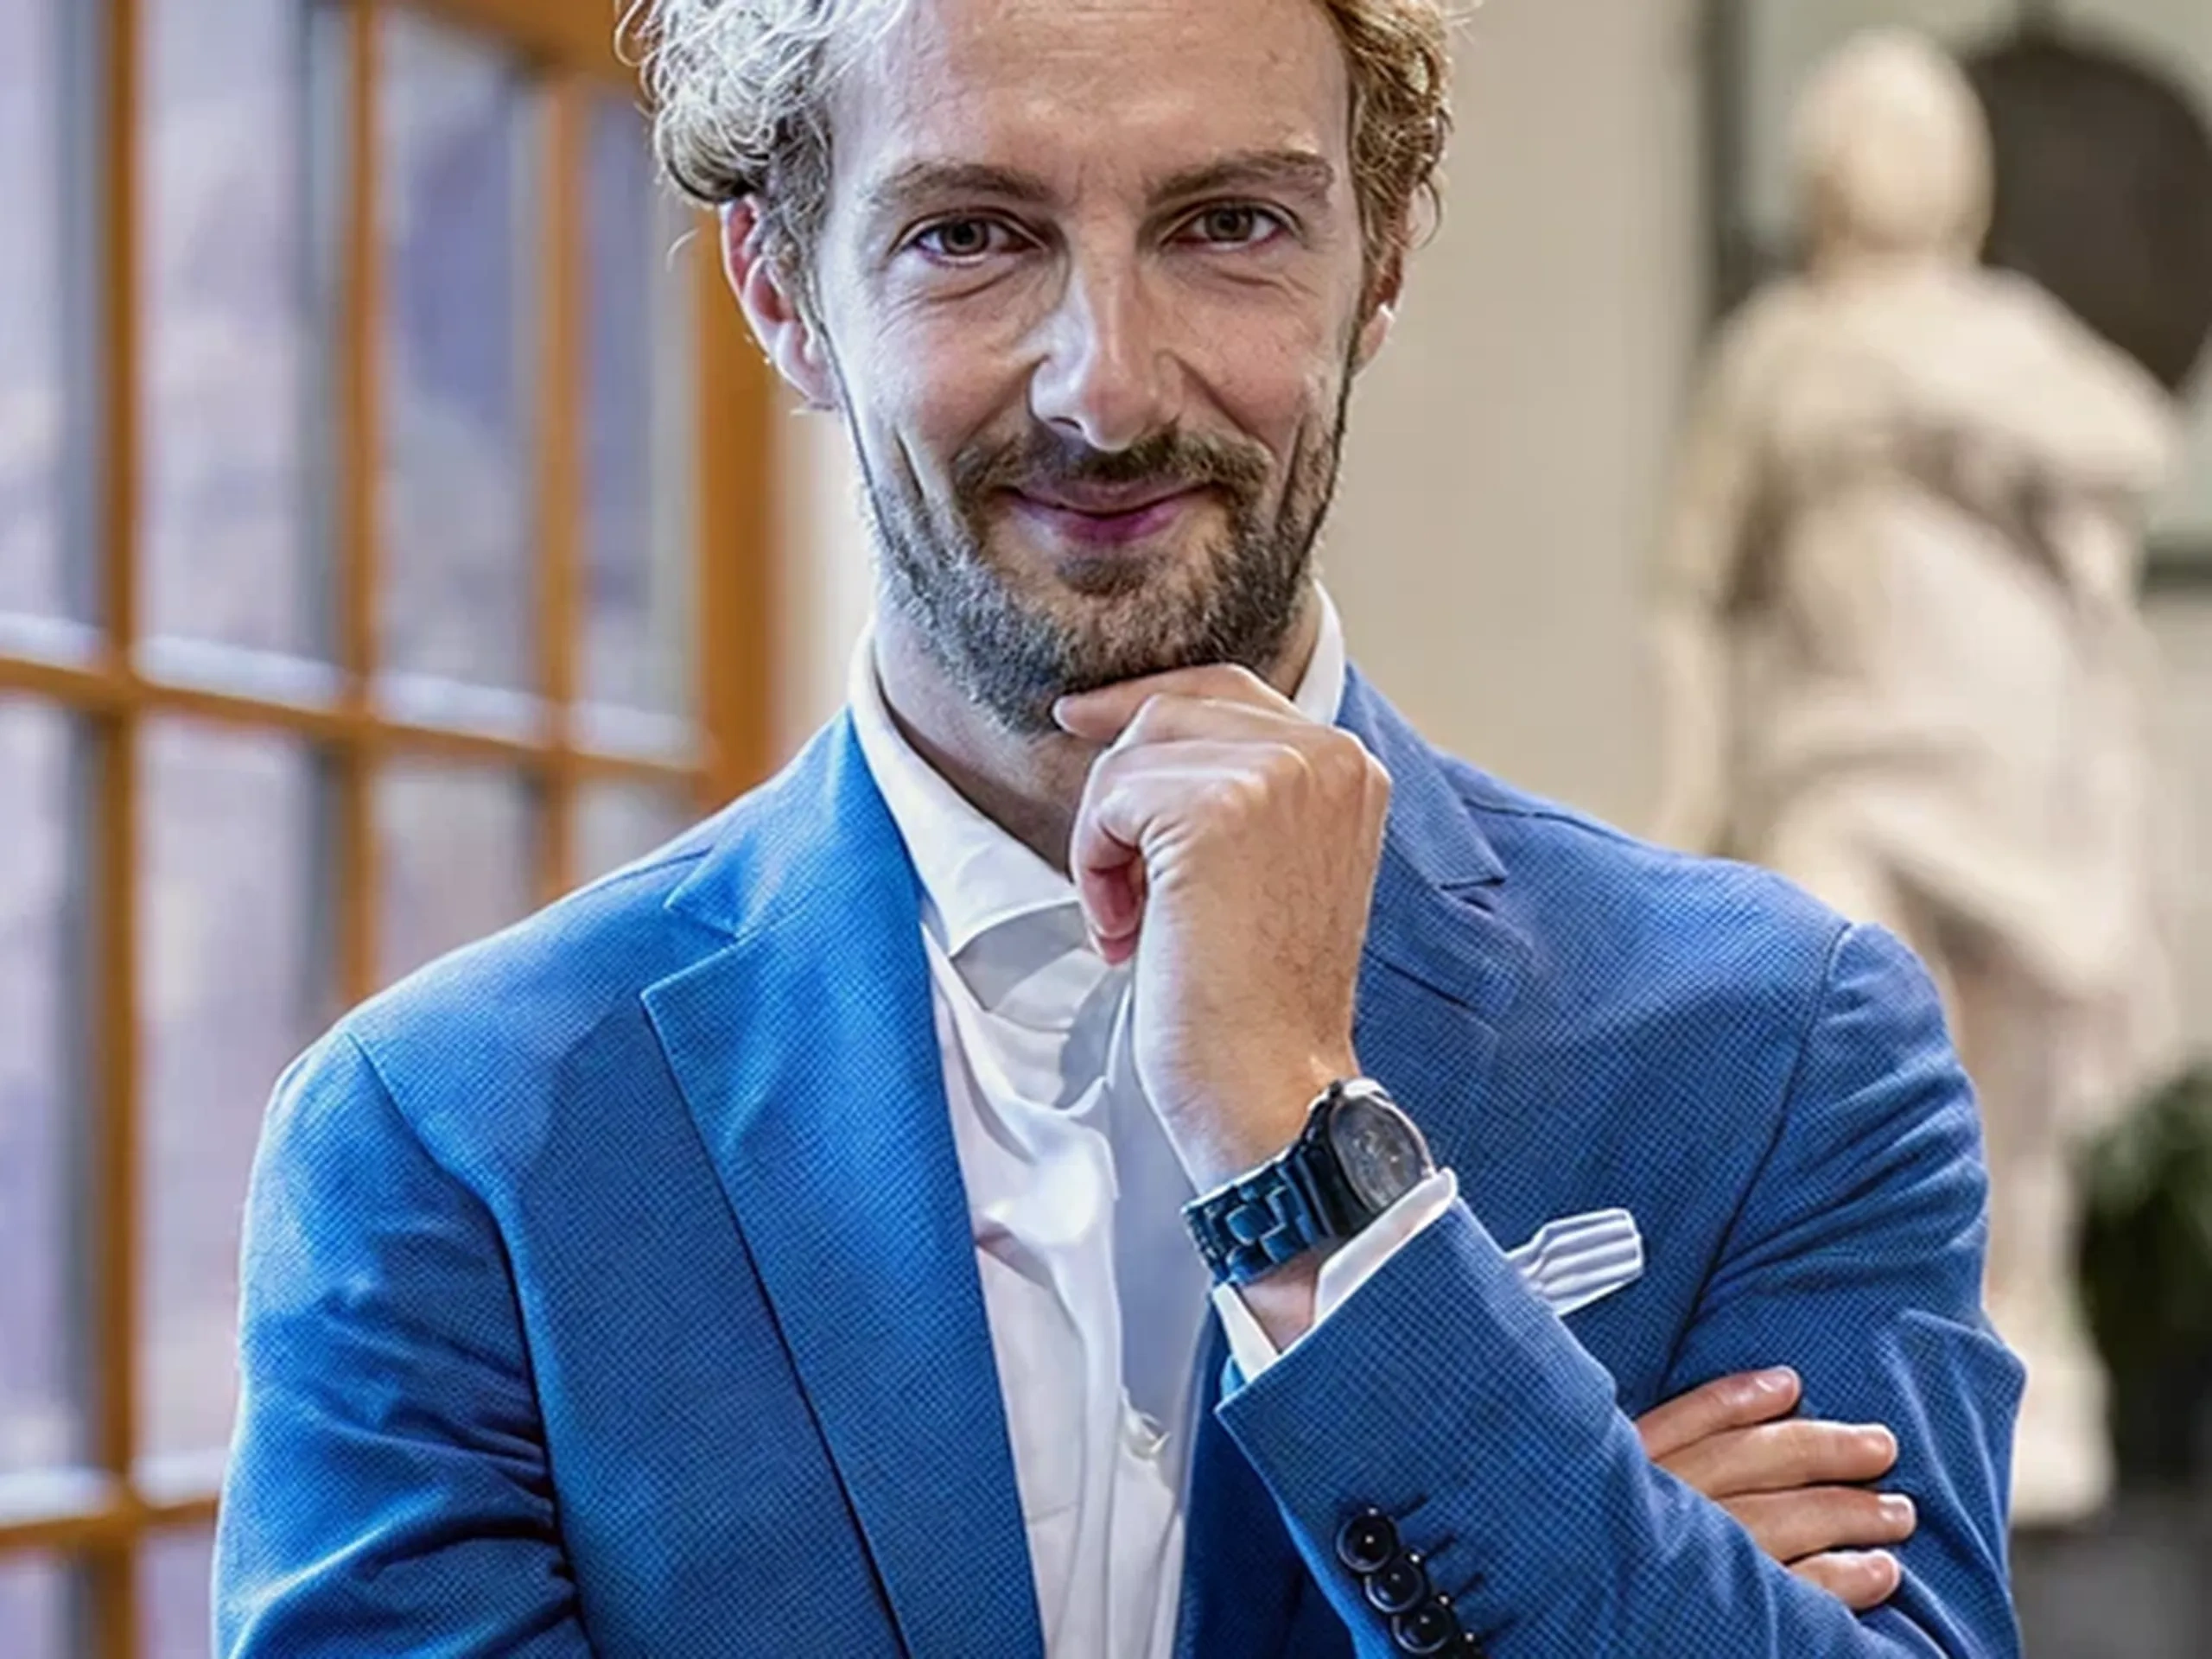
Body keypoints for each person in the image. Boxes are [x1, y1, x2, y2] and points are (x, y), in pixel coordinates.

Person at [214, 2, 2020, 1654]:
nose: (1108, 390)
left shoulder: (1777, 1052)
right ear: (780, 290)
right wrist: (1607, 1551)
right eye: (969, 236)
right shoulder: (450, 1145)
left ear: (1381, 261)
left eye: (1227, 223)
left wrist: (1305, 1164)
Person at [1649, 28, 2176, 1528]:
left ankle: (2024, 1362)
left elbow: (2131, 438)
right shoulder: (1778, 351)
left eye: (1914, 131)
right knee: (1858, 1044)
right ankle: (1881, 1358)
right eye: (1862, 129)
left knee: (2016, 1095)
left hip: (2007, 780)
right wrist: (1691, 780)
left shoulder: (2000, 336)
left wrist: (1935, 398)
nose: (1886, 158)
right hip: (1838, 765)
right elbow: (1691, 581)